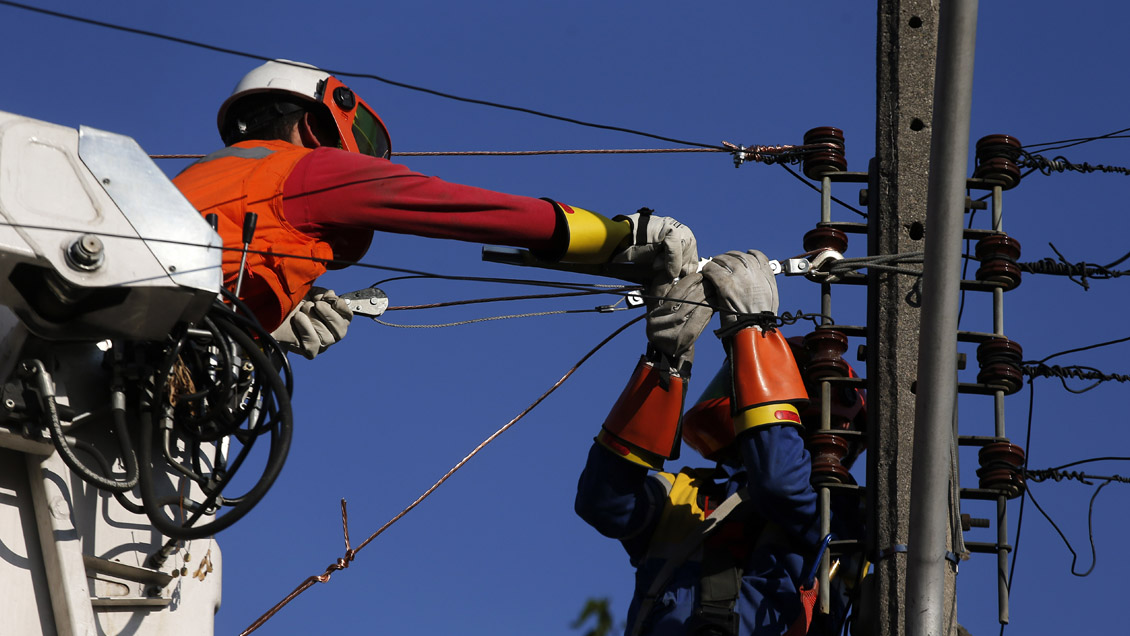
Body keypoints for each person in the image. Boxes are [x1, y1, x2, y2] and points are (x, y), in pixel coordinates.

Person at [173, 59, 698, 358]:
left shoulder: (202, 178)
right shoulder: (305, 168)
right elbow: (465, 209)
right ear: (315, 123)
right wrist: (616, 236)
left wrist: (264, 324)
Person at [575, 250, 865, 636]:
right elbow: (603, 503)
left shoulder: (839, 512)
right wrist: (666, 361)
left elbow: (779, 483)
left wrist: (755, 332)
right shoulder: (688, 495)